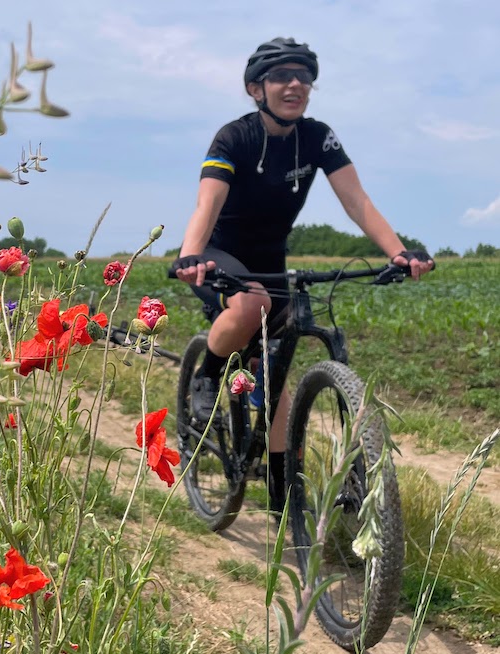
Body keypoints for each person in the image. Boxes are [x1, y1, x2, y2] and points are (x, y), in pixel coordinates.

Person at [173, 36, 434, 508]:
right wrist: (192, 255)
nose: (295, 84)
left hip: (271, 260)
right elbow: (206, 204)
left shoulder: (318, 137)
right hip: (218, 253)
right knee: (252, 304)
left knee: (276, 381)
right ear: (257, 88)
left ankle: (281, 498)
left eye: (304, 77)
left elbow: (357, 201)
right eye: (281, 76)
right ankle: (207, 376)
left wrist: (398, 251)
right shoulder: (234, 137)